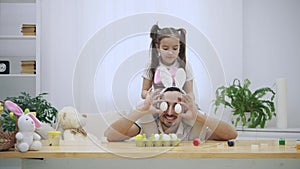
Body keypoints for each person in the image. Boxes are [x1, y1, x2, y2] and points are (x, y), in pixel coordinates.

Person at [104, 87, 238, 142]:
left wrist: (199, 116)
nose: (169, 112)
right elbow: (110, 136)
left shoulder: (193, 127)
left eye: (176, 106)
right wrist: (140, 110)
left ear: (184, 109)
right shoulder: (147, 125)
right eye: (165, 105)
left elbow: (231, 134)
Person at [141, 24, 194, 99]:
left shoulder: (185, 65)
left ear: (179, 48)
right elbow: (144, 92)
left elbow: (190, 93)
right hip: (158, 103)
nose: (170, 52)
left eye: (175, 48)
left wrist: (185, 99)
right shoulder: (151, 64)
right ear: (158, 47)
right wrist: (152, 95)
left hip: (178, 105)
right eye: (165, 48)